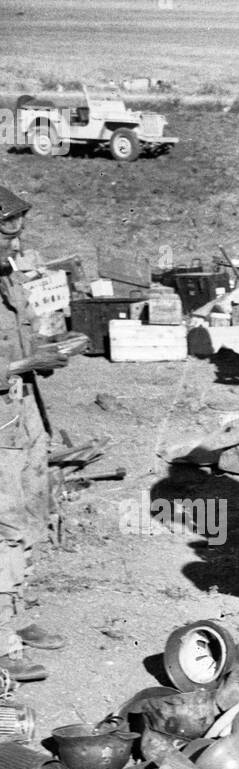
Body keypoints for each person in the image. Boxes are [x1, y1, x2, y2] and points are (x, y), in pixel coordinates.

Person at [0, 185, 68, 681]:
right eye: (6, 229)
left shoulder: (8, 277)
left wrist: (48, 350)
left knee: (30, 517)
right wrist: (26, 361)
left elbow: (20, 341)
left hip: (22, 417)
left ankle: (12, 619)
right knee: (5, 526)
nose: (15, 238)